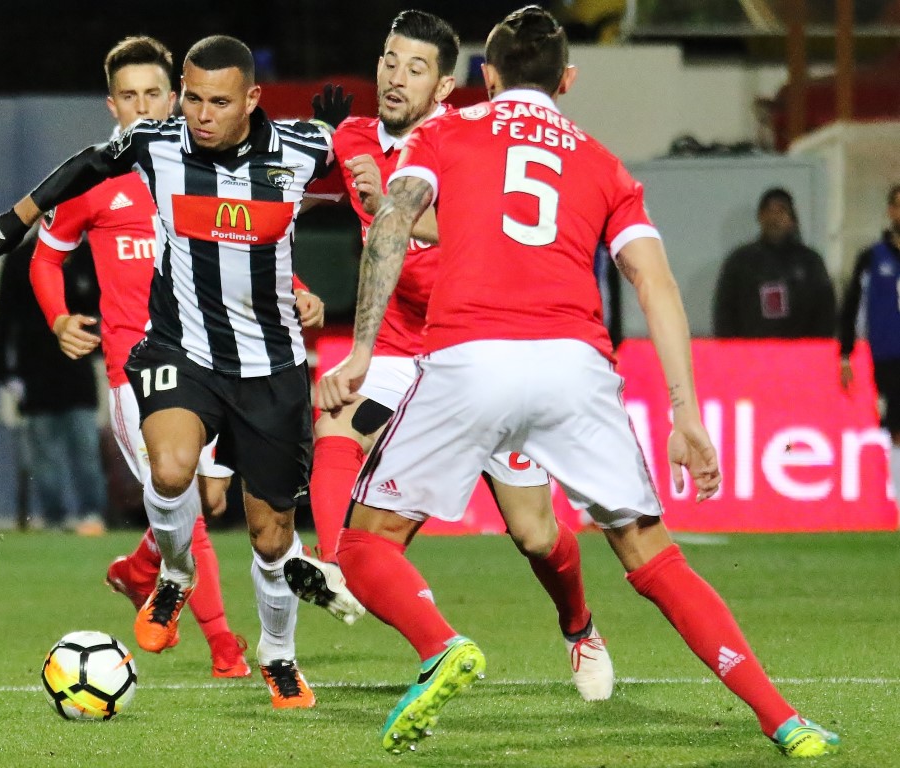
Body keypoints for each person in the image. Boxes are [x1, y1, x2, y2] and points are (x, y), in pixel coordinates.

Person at [319, 6, 839, 758]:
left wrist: (361, 349)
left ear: (484, 77)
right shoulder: (601, 162)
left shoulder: (446, 133)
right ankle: (782, 720)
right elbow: (656, 285)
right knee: (654, 557)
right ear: (566, 80)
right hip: (575, 365)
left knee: (367, 547)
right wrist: (683, 414)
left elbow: (396, 221)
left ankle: (441, 646)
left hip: (470, 356)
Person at [0, 34, 361, 709]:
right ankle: (175, 575)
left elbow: (357, 156)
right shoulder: (158, 145)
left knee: (272, 536)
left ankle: (278, 654)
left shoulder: (299, 152)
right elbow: (87, 164)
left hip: (268, 366)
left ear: (251, 100)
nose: (200, 114)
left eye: (217, 102)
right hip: (177, 350)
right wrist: (16, 220)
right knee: (172, 470)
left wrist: (355, 149)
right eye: (191, 98)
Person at [286, 9, 612, 703]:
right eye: (387, 59)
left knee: (532, 532)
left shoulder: (465, 140)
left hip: (478, 344)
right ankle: (334, 566)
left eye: (414, 67)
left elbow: (484, 227)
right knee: (336, 418)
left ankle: (578, 625)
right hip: (402, 345)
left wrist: (399, 209)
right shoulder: (351, 138)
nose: (394, 76)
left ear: (442, 88)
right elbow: (279, 195)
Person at [0, 231, 107, 532]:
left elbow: (107, 307)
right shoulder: (20, 260)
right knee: (44, 456)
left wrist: (109, 351)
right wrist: (3, 371)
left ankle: (92, 515)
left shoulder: (88, 257)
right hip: (35, 370)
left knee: (85, 448)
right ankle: (55, 518)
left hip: (77, 369)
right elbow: (4, 316)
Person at [839, 183, 900, 509]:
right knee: (896, 429)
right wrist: (845, 353)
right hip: (889, 356)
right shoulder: (871, 258)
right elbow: (850, 307)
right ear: (890, 211)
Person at [713, 187, 836, 338]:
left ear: (792, 219)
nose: (774, 218)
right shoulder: (740, 261)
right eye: (769, 211)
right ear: (760, 217)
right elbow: (725, 313)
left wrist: (816, 351)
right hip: (751, 354)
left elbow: (825, 313)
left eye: (781, 211)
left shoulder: (810, 262)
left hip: (800, 354)